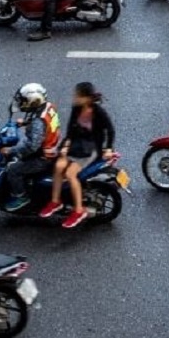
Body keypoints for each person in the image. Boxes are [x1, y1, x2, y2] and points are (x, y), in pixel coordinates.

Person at [39, 82, 116, 229]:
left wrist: (108, 148)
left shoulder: (99, 112)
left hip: (91, 149)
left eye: (77, 95)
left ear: (86, 98)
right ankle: (56, 201)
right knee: (58, 166)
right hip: (77, 145)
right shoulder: (76, 109)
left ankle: (79, 210)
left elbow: (110, 130)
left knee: (70, 173)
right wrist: (65, 146)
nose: (74, 98)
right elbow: (70, 130)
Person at [0, 83, 62, 210]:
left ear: (33, 101)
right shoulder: (48, 107)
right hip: (54, 145)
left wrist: (11, 151)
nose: (22, 103)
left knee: (13, 170)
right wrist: (27, 122)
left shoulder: (39, 122)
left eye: (24, 101)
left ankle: (21, 196)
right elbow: (44, 126)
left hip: (43, 158)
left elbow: (32, 146)